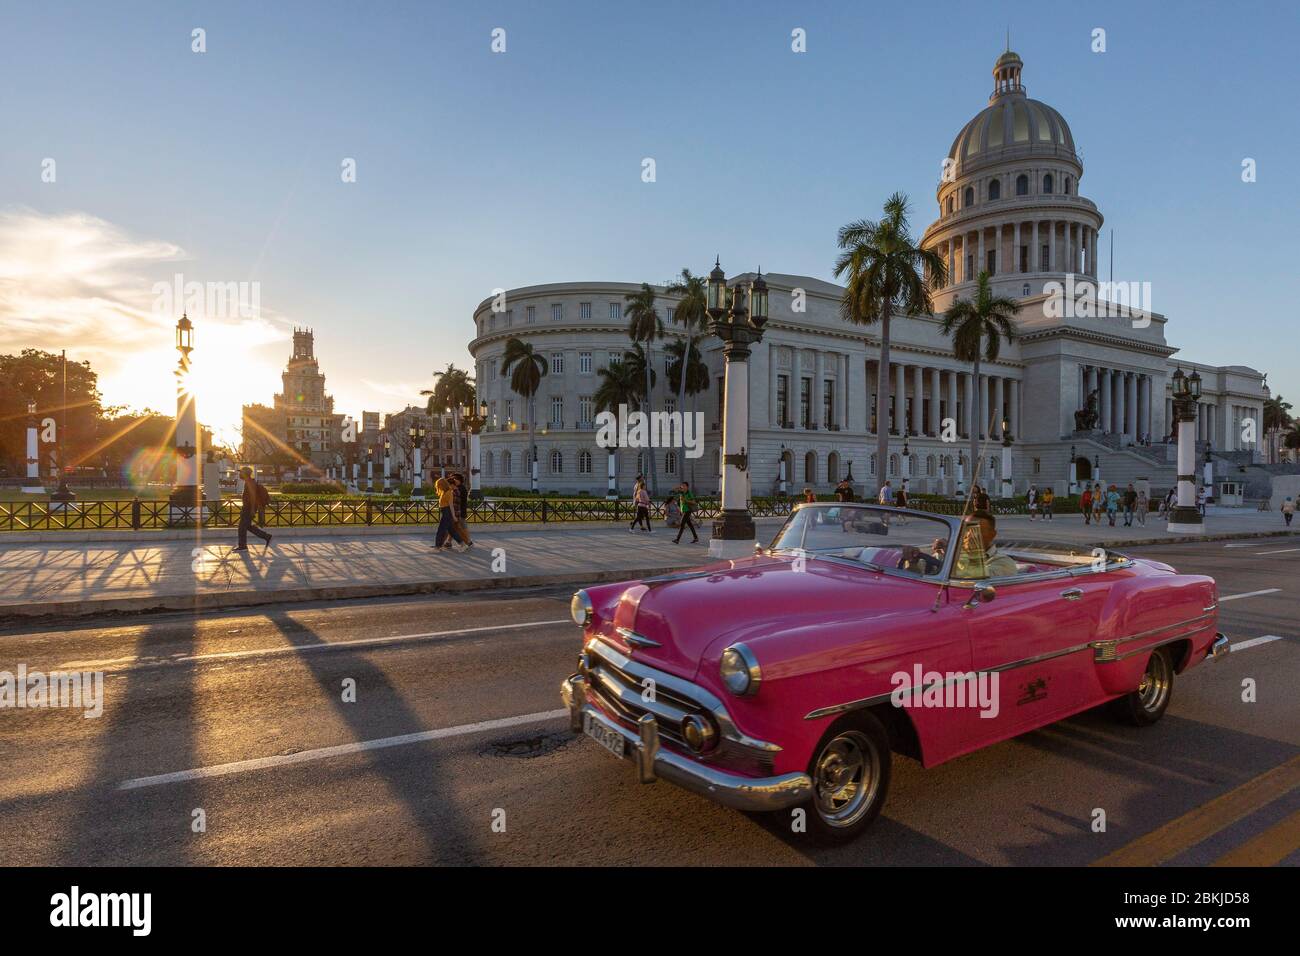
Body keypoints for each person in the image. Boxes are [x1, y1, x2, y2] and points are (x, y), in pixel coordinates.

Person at [933, 509, 1019, 579]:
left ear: (992, 535)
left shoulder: (1004, 563)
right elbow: (928, 568)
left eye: (976, 530)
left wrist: (952, 553)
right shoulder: (951, 553)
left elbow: (975, 577)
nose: (969, 535)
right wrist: (919, 558)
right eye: (966, 529)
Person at [234, 466, 272, 551]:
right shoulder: (249, 482)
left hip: (249, 508)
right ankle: (266, 536)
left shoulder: (250, 483)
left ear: (245, 474)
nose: (240, 474)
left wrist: (251, 510)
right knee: (247, 526)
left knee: (242, 527)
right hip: (248, 507)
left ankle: (243, 546)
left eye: (241, 472)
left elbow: (253, 497)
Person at [434, 475, 467, 551]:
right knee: (451, 530)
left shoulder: (449, 492)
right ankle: (463, 544)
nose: (438, 487)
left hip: (447, 512)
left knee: (441, 529)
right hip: (445, 512)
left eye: (438, 485)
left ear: (442, 485)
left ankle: (437, 546)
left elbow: (451, 506)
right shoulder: (444, 492)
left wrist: (454, 516)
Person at [451, 473, 474, 548]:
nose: (453, 480)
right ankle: (448, 542)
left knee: (462, 527)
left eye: (454, 479)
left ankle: (469, 542)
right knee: (454, 527)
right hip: (458, 511)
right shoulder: (457, 487)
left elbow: (458, 501)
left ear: (459, 480)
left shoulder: (460, 489)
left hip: (460, 511)